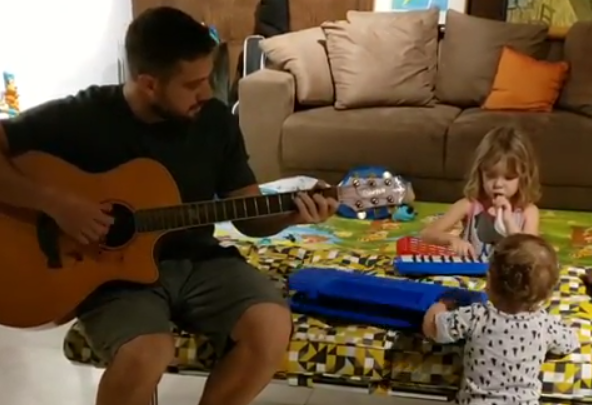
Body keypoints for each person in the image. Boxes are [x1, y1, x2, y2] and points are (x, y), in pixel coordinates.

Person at [0, 7, 339, 405]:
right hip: (115, 278)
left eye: (208, 79)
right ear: (148, 84)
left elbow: (248, 215)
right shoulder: (83, 117)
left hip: (199, 262)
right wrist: (57, 204)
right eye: (193, 85)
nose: (208, 94)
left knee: (270, 326)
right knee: (145, 353)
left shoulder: (215, 121)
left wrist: (290, 214)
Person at [423, 234, 580, 405]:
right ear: (547, 294)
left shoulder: (476, 316)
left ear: (488, 281)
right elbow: (570, 343)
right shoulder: (544, 324)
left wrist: (439, 307)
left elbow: (433, 329)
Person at [420, 126, 541, 257]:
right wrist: (452, 240)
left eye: (509, 177)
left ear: (523, 177)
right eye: (490, 176)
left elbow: (530, 253)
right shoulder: (469, 205)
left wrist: (508, 222)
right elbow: (427, 233)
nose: (498, 184)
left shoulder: (528, 211)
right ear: (480, 173)